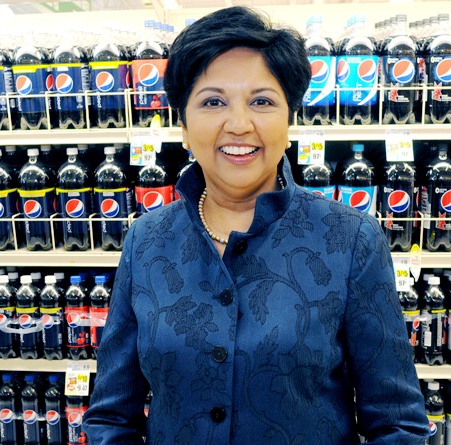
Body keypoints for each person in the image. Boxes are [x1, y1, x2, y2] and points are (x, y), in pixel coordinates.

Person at [84, 6, 429, 444]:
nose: (239, 125)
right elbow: (111, 416)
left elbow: (398, 424)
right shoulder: (148, 240)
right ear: (184, 126)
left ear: (290, 120)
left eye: (262, 101)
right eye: (213, 102)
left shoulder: (349, 238)